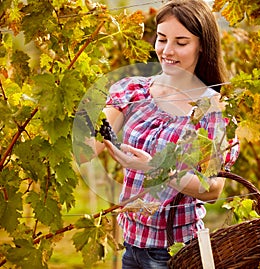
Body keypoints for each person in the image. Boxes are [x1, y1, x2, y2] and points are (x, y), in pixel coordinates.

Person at [86, 0, 239, 268]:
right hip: (131, 247)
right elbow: (93, 145)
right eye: (161, 39)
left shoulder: (212, 109)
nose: (167, 51)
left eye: (181, 42)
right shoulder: (134, 91)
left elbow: (213, 189)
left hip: (175, 251)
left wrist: (157, 168)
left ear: (202, 44)